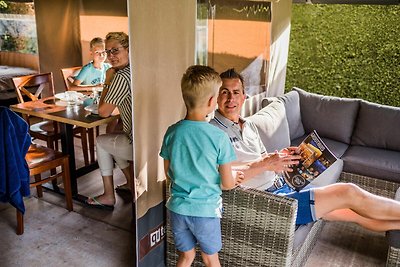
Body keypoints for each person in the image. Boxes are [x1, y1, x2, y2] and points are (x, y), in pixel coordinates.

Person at [210, 68, 400, 231]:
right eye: (225, 92)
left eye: (236, 92)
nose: (231, 98)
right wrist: (266, 164)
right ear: (216, 97)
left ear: (244, 97)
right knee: (348, 192)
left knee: (354, 214)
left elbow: (261, 159)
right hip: (268, 202)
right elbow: (221, 178)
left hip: (283, 185)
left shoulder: (249, 126)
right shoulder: (212, 132)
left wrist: (281, 158)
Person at [160, 65, 241, 267]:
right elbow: (227, 184)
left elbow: (168, 173)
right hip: (205, 212)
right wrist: (235, 178)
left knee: (186, 256)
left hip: (178, 210)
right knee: (210, 259)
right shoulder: (219, 138)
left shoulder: (172, 132)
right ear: (213, 101)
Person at [85, 32, 132, 210]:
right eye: (108, 51)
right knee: (114, 137)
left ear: (128, 49)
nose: (111, 56)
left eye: (116, 50)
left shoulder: (120, 76)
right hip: (151, 139)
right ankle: (130, 183)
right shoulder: (136, 69)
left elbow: (104, 112)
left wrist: (107, 81)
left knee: (101, 142)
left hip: (137, 143)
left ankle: (108, 195)